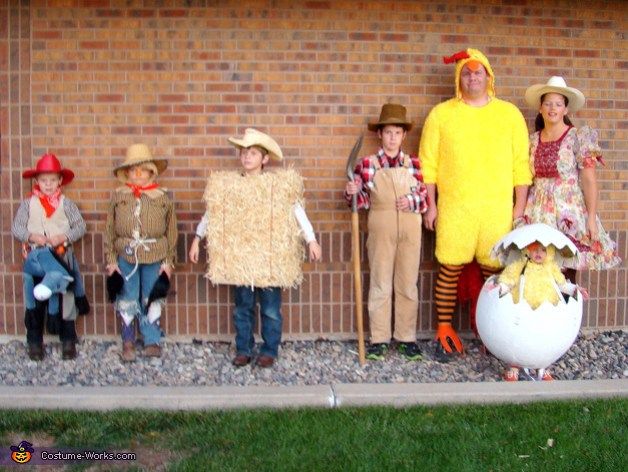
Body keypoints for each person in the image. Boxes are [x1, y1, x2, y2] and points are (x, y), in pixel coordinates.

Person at [418, 48, 532, 361]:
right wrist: (431, 204)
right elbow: (428, 165)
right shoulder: (441, 115)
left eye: (477, 72)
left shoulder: (508, 115)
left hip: (496, 208)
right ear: (459, 78)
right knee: (450, 266)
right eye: (466, 73)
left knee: (494, 272)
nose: (472, 77)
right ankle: (444, 328)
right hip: (455, 207)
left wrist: (518, 207)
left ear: (488, 76)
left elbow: (521, 166)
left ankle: (493, 332)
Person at [189, 128, 322, 368]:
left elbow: (296, 210)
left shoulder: (277, 185)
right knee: (242, 307)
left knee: (271, 309)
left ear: (265, 158)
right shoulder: (228, 185)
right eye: (243, 153)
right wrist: (198, 237)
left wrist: (310, 239)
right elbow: (213, 213)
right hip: (242, 260)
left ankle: (269, 349)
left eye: (252, 153)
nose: (247, 157)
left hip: (270, 259)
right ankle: (244, 348)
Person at [344, 103, 427, 361]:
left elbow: (424, 198)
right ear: (380, 134)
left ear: (403, 136)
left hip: (410, 229)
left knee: (407, 283)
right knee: (380, 282)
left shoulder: (413, 163)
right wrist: (351, 193)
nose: (392, 138)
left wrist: (411, 202)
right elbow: (361, 203)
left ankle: (406, 338)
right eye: (388, 132)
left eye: (397, 133)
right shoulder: (367, 165)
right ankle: (379, 339)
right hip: (381, 228)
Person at [521, 76, 621, 276]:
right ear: (540, 108)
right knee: (536, 273)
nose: (553, 108)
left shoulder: (577, 137)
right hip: (538, 212)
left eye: (558, 104)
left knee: (565, 276)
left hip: (568, 212)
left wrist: (591, 217)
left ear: (565, 110)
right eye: (548, 103)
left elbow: (589, 180)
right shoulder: (532, 140)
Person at [12, 153, 89, 361]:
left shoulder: (67, 204)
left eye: (52, 180)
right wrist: (31, 235)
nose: (48, 184)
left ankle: (68, 341)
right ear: (37, 182)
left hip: (61, 258)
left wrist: (64, 236)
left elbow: (80, 226)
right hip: (36, 259)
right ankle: (35, 342)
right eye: (44, 180)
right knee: (35, 303)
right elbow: (16, 227)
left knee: (66, 300)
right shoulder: (27, 205)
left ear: (60, 181)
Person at [105, 144, 177, 362]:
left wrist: (168, 261)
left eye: (142, 170)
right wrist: (111, 260)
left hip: (155, 253)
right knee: (127, 296)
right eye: (133, 170)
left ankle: (151, 340)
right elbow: (109, 229)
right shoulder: (119, 197)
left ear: (151, 172)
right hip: (126, 254)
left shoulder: (162, 198)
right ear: (126, 173)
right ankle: (127, 341)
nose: (137, 174)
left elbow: (171, 231)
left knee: (152, 296)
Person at [491, 241, 588, 381]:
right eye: (535, 249)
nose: (538, 253)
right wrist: (500, 289)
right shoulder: (521, 265)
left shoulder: (551, 268)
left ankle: (542, 365)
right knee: (520, 336)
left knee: (544, 335)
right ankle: (514, 365)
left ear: (549, 253)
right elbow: (509, 281)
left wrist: (575, 289)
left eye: (543, 250)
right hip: (523, 310)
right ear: (527, 250)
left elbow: (562, 284)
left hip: (545, 310)